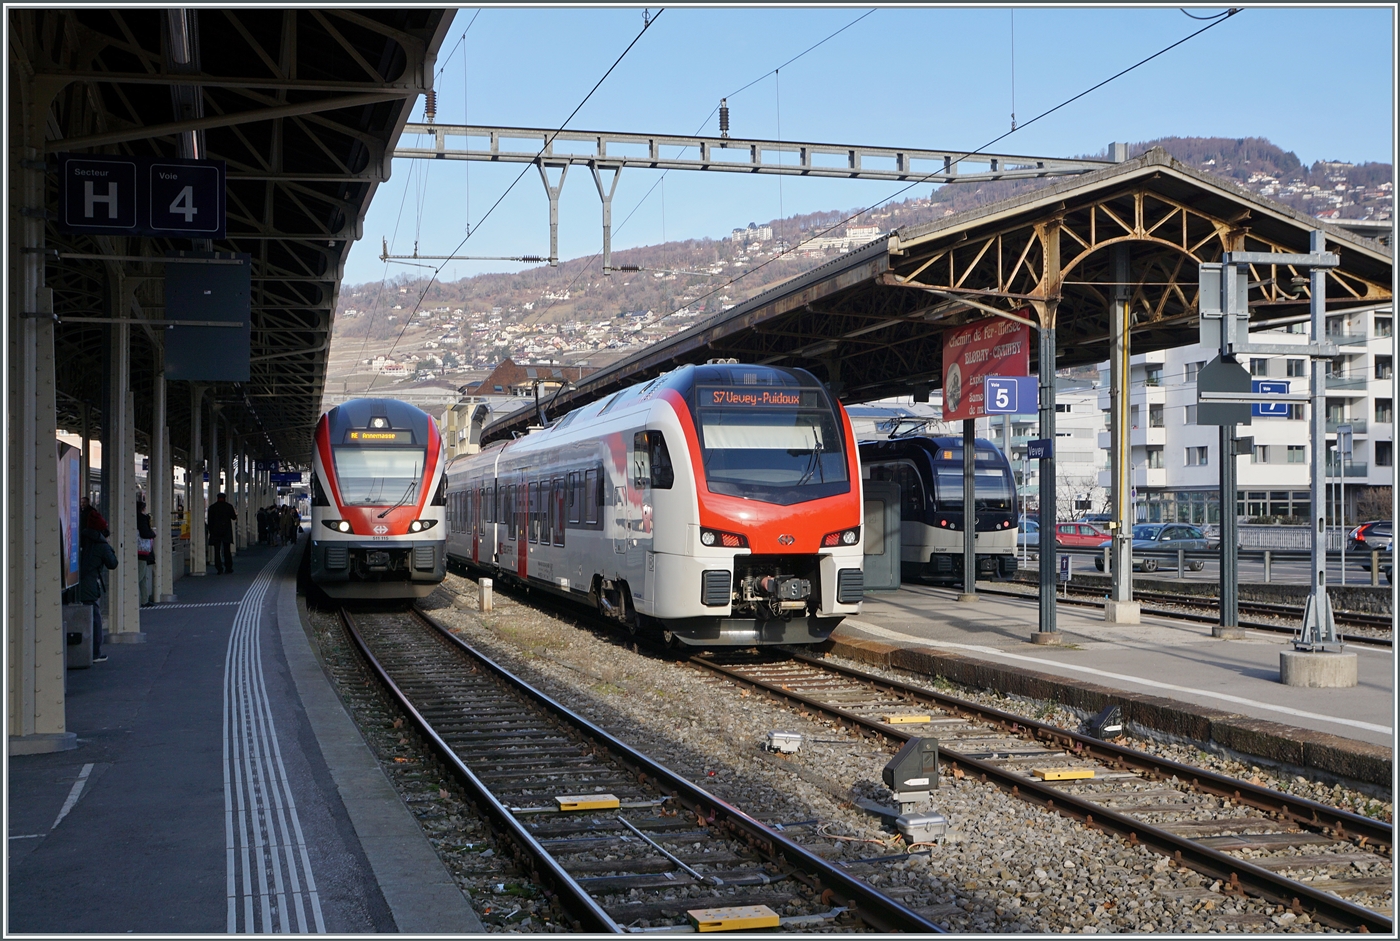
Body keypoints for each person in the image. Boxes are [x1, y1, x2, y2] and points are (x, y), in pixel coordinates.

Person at [79, 516, 118, 662]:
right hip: (89, 586)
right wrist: (108, 546)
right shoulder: (101, 545)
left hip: (73, 585)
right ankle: (95, 652)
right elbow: (112, 563)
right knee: (95, 619)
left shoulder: (80, 538)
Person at [207, 492, 238, 574]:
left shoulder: (212, 507)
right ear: (225, 498)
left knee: (217, 551)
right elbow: (234, 517)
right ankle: (228, 567)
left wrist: (211, 531)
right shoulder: (228, 507)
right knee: (227, 550)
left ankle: (219, 568)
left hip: (215, 532)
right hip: (226, 532)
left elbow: (209, 521)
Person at [136, 499, 156, 606]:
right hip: (141, 551)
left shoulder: (134, 518)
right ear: (143, 509)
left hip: (138, 551)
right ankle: (136, 599)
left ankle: (145, 599)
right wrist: (153, 533)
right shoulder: (142, 519)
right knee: (140, 576)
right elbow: (145, 533)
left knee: (143, 577)